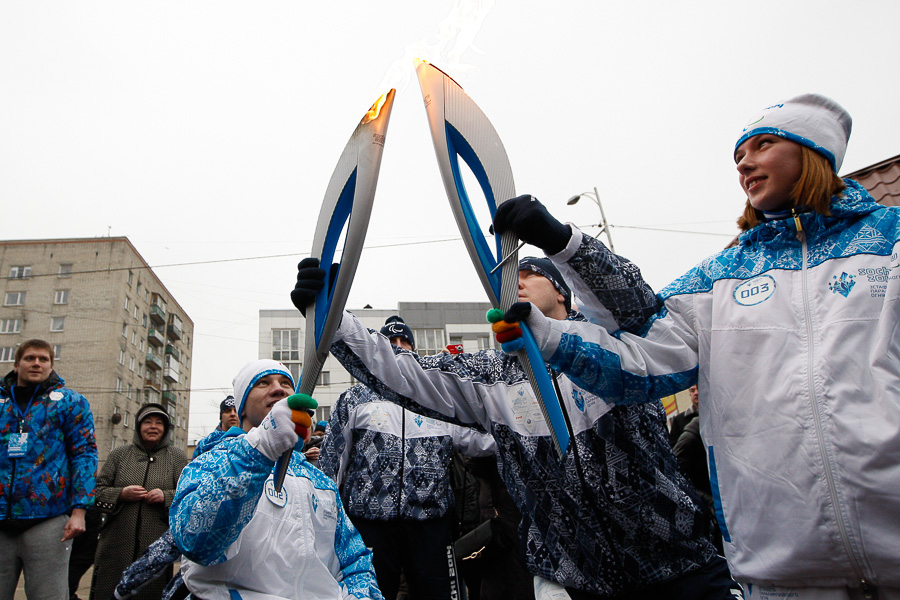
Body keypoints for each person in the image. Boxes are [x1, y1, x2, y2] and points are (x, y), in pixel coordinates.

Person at [491, 94, 900, 598]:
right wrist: (551, 325)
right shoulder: (720, 278)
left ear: (813, 152)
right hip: (783, 570)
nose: (745, 163)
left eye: (763, 145)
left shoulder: (890, 246)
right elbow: (640, 361)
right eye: (737, 157)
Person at [291, 258, 739, 599]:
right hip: (580, 582)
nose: (512, 280)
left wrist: (566, 243)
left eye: (527, 272)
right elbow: (403, 372)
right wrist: (334, 320)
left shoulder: (617, 345)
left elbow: (636, 305)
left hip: (680, 568)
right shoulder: (495, 378)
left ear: (562, 291)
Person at [170, 359, 382, 600]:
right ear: (241, 410)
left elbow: (354, 559)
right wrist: (261, 448)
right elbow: (195, 540)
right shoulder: (213, 461)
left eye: (285, 383)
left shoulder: (319, 481)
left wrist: (361, 596)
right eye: (262, 383)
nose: (279, 389)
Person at [319, 316, 496, 600]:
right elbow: (331, 464)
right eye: (391, 343)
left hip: (430, 523)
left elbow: (482, 441)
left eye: (405, 342)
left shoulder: (435, 400)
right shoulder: (354, 399)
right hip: (370, 523)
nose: (399, 347)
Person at [0, 339, 98, 600]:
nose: (36, 363)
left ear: (52, 365)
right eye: (30, 358)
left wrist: (79, 512)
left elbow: (85, 455)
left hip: (48, 519)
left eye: (43, 359)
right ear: (16, 364)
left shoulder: (69, 402)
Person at [90, 403, 189, 600]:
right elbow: (96, 492)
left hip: (155, 545)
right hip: (117, 543)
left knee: (149, 592)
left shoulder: (176, 457)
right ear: (138, 426)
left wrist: (165, 496)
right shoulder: (119, 454)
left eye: (159, 423)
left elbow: (187, 496)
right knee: (110, 590)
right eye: (148, 422)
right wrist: (121, 494)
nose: (153, 427)